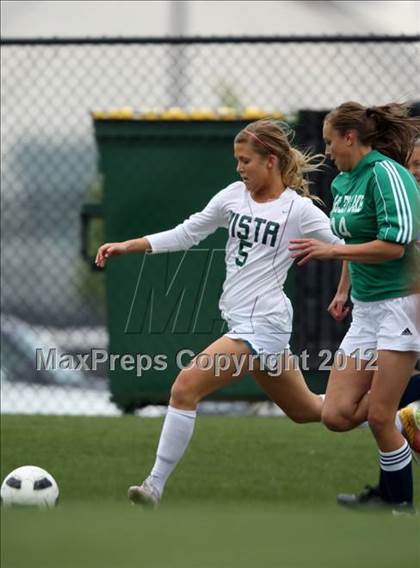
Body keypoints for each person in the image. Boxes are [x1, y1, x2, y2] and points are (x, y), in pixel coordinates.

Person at [96, 118, 418, 509]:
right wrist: (128, 245)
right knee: (314, 410)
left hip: (263, 326)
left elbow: (349, 245)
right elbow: (188, 232)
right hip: (247, 325)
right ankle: (405, 403)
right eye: (237, 160)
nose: (239, 168)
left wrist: (350, 286)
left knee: (184, 387)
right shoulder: (232, 196)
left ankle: (153, 485)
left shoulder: (298, 211)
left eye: (246, 160)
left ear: (271, 160)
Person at [289, 102, 420, 513]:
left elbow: (394, 245)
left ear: (350, 137)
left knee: (382, 418)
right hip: (366, 309)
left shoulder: (387, 174)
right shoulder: (344, 183)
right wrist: (344, 289)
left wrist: (328, 252)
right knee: (336, 413)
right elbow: (352, 243)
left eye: (330, 142)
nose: (326, 151)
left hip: (401, 305)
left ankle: (396, 503)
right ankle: (409, 399)